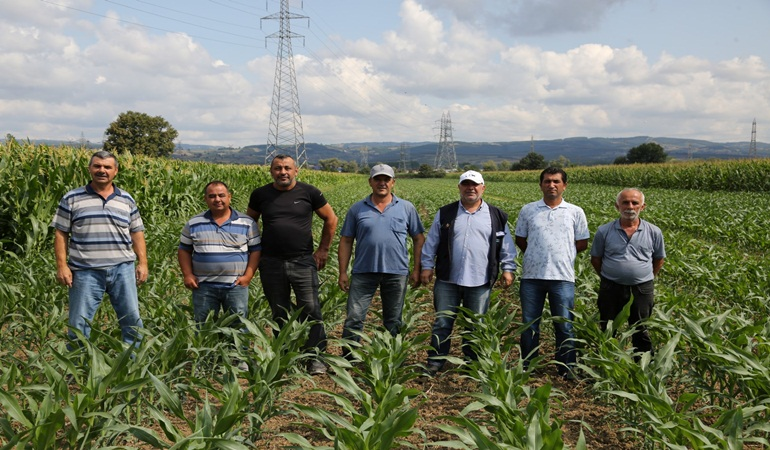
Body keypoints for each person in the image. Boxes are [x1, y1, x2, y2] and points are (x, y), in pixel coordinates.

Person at [247, 155, 338, 375]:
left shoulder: (309, 192)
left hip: (303, 261)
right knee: (279, 310)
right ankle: (285, 355)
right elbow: (249, 223)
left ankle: (315, 357)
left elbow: (331, 219)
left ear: (296, 170)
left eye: (287, 168)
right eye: (277, 168)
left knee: (311, 309)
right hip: (271, 262)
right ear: (271, 171)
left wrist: (323, 249)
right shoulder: (260, 195)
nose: (283, 172)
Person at [420, 170, 516, 375]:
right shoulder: (445, 212)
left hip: (480, 280)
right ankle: (436, 361)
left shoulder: (496, 215)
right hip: (448, 279)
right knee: (443, 322)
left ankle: (471, 362)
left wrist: (508, 268)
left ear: (483, 188)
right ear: (459, 187)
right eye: (466, 184)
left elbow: (506, 245)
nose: (470, 188)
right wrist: (427, 266)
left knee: (476, 324)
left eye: (475, 185)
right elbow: (432, 242)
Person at [51, 150, 147, 348]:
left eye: (107, 167)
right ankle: (77, 367)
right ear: (89, 169)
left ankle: (133, 362)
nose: (102, 170)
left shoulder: (126, 200)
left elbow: (137, 233)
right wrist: (62, 266)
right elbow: (61, 233)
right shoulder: (72, 198)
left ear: (116, 171)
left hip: (123, 269)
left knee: (132, 320)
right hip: (85, 270)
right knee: (79, 323)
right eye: (97, 166)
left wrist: (143, 263)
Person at [338, 164, 425, 357]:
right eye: (377, 179)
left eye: (386, 179)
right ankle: (348, 358)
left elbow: (418, 238)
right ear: (370, 182)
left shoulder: (406, 208)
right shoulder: (357, 209)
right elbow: (346, 240)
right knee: (354, 317)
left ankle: (389, 357)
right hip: (363, 271)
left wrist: (417, 268)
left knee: (393, 319)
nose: (382, 183)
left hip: (397, 272)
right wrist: (343, 271)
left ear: (393, 182)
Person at [178, 181, 261, 370]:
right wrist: (187, 274)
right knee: (204, 324)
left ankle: (239, 359)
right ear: (205, 199)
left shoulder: (246, 222)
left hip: (235, 285)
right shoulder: (194, 223)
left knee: (239, 323)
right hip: (204, 285)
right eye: (212, 196)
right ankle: (206, 359)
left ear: (229, 197)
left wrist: (248, 275)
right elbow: (184, 250)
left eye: (221, 195)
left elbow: (256, 250)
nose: (217, 199)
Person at [515, 167, 589, 379]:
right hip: (531, 277)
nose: (551, 185)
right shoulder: (528, 210)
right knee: (530, 324)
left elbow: (581, 242)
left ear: (564, 185)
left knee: (564, 324)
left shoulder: (575, 212)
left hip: (563, 278)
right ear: (541, 185)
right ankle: (528, 367)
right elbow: (521, 239)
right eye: (547, 181)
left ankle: (567, 367)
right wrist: (536, 255)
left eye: (556, 181)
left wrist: (563, 255)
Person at [590, 188, 665, 356]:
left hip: (641, 288)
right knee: (608, 327)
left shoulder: (654, 232)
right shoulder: (604, 231)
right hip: (611, 287)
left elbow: (659, 259)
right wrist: (608, 276)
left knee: (640, 327)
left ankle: (643, 366)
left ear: (642, 207)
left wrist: (646, 276)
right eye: (625, 202)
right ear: (617, 206)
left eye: (634, 203)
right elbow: (596, 259)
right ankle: (606, 362)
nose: (629, 206)